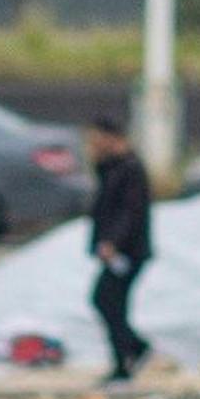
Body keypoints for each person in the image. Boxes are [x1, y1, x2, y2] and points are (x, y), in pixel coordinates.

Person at [85, 115, 153, 385]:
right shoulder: (111, 167)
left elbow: (129, 212)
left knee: (107, 300)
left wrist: (112, 242)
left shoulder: (131, 169)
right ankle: (130, 352)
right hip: (114, 250)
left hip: (126, 251)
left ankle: (128, 356)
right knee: (108, 302)